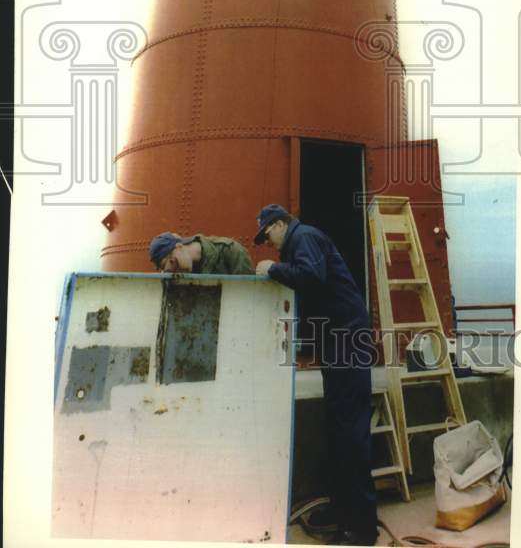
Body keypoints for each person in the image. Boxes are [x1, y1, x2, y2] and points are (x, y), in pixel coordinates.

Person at [254, 203, 378, 547]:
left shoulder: (304, 237)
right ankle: (342, 511)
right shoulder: (301, 241)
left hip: (346, 340)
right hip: (337, 339)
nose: (267, 243)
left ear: (279, 225)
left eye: (267, 235)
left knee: (351, 432)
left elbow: (310, 276)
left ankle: (362, 529)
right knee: (339, 428)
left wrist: (273, 269)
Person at [149, 231, 253, 275]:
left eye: (172, 263)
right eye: (169, 273)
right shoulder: (184, 272)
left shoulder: (232, 251)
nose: (175, 273)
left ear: (179, 246)